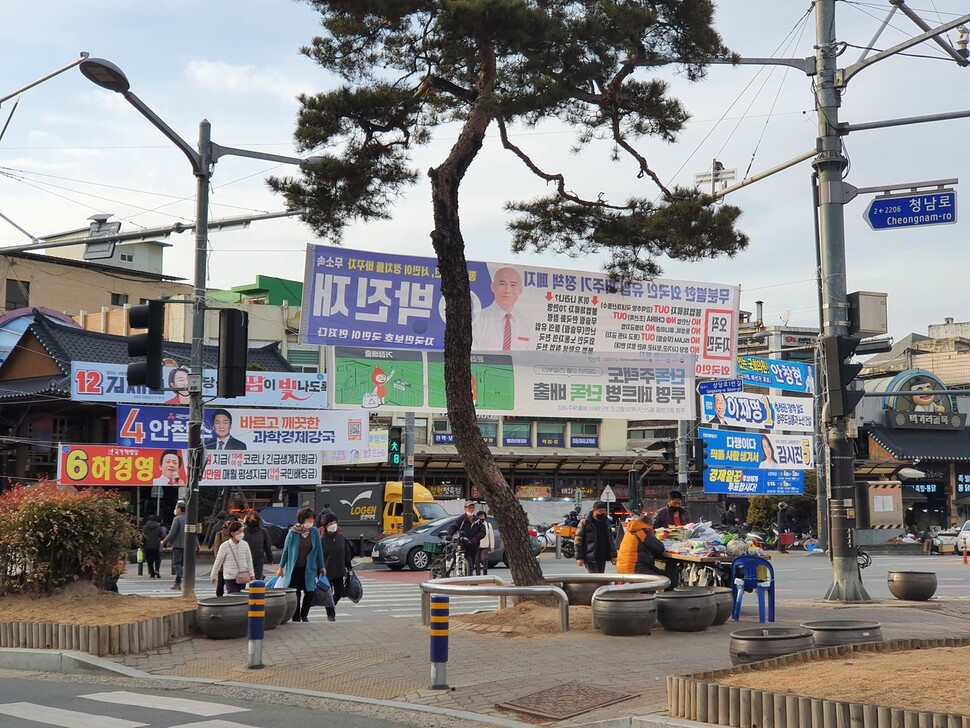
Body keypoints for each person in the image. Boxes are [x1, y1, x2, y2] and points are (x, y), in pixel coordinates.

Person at [277, 507, 327, 623]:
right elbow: (286, 550)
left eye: (312, 520)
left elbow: (319, 550)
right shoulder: (293, 532)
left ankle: (304, 615)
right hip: (294, 568)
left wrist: (322, 566)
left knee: (310, 592)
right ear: (302, 520)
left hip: (308, 568)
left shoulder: (314, 532)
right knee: (296, 594)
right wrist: (281, 567)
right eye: (308, 520)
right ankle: (296, 617)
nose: (311, 522)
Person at [471, 266, 535, 351]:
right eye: (502, 284)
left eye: (513, 285)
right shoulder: (478, 320)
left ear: (520, 290)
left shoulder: (528, 326)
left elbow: (529, 359)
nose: (507, 290)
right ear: (493, 287)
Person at [319, 513, 353, 622]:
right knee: (327, 595)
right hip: (326, 572)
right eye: (330, 523)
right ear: (325, 525)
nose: (333, 525)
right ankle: (331, 615)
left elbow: (346, 553)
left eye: (335, 522)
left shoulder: (341, 537)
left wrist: (349, 567)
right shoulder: (322, 540)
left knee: (339, 592)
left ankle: (331, 606)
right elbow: (317, 557)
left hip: (339, 570)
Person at [210, 520, 254, 594]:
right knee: (233, 595)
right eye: (239, 531)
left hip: (242, 575)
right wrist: (213, 575)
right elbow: (218, 561)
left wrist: (252, 574)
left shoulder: (245, 544)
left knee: (241, 596)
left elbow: (249, 560)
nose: (241, 534)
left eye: (242, 531)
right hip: (230, 576)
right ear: (232, 533)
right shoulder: (224, 546)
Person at [574, 501, 618, 573]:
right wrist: (579, 557)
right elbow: (578, 540)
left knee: (600, 576)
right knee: (595, 577)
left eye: (604, 511)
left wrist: (614, 555)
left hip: (602, 555)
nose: (602, 513)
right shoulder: (585, 522)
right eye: (600, 511)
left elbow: (610, 539)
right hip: (590, 556)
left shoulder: (606, 522)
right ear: (594, 511)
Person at [446, 502, 486, 570]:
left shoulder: (477, 520)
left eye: (473, 508)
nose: (471, 509)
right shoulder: (461, 519)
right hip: (463, 544)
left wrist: (476, 538)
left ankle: (469, 576)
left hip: (474, 545)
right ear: (465, 508)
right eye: (469, 507)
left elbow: (483, 532)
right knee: (468, 563)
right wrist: (450, 534)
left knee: (472, 565)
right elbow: (453, 527)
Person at [212, 514, 240, 596]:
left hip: (234, 565)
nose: (231, 523)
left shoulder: (239, 534)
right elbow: (216, 549)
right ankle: (219, 600)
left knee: (233, 587)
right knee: (220, 585)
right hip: (223, 564)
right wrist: (220, 562)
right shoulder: (220, 534)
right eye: (230, 521)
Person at [242, 510, 275, 580]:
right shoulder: (243, 531)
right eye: (250, 519)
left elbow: (267, 546)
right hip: (245, 560)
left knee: (257, 581)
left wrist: (270, 559)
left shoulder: (263, 531)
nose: (252, 521)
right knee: (245, 581)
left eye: (254, 519)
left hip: (258, 560)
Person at [161, 502, 186, 590]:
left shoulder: (177, 519)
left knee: (176, 564)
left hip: (178, 545)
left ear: (179, 509)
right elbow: (193, 532)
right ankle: (177, 583)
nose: (175, 510)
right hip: (187, 545)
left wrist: (164, 541)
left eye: (176, 508)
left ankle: (185, 577)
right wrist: (197, 544)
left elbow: (172, 532)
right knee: (181, 564)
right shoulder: (189, 518)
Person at [141, 514, 163, 579]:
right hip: (156, 545)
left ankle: (152, 574)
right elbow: (162, 536)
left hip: (147, 546)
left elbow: (143, 537)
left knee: (149, 560)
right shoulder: (159, 527)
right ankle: (157, 570)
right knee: (157, 559)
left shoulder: (145, 527)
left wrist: (142, 545)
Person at [473, 510, 495, 575]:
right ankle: (478, 574)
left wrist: (492, 546)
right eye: (479, 516)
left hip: (485, 546)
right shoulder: (475, 524)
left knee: (484, 559)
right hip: (476, 546)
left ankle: (485, 573)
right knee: (476, 561)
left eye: (483, 516)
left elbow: (491, 536)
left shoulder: (488, 525)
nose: (481, 517)